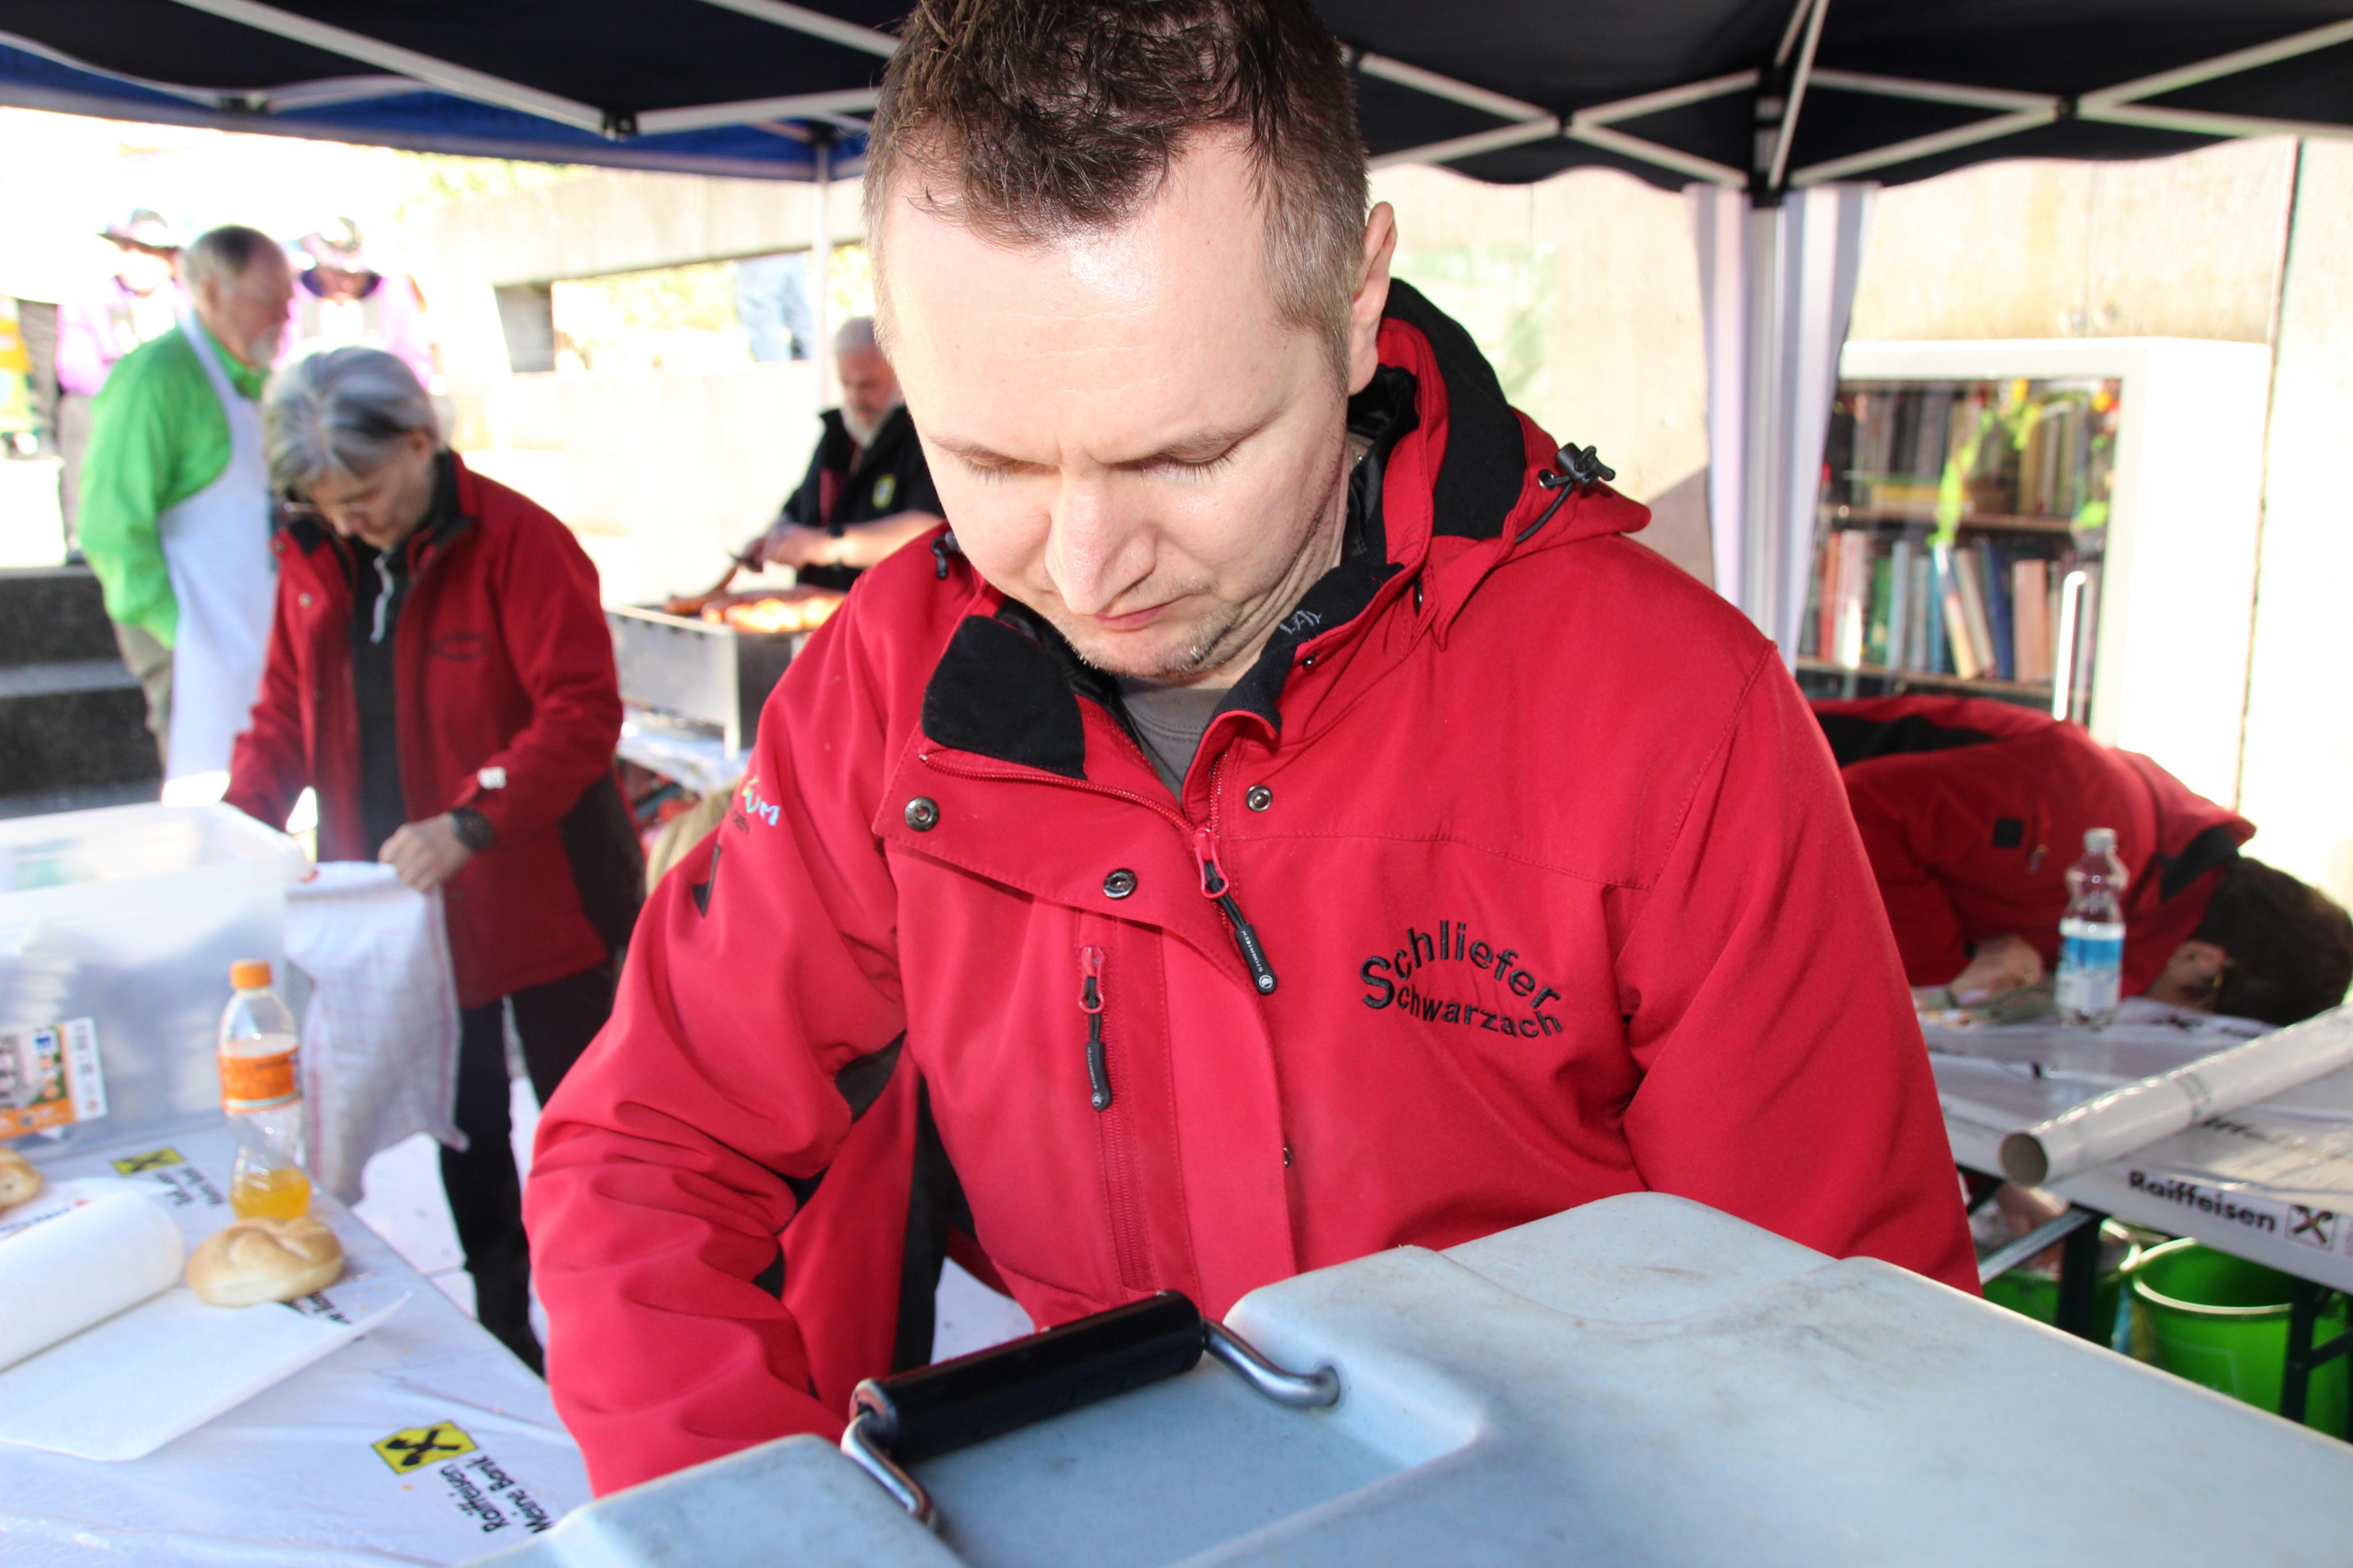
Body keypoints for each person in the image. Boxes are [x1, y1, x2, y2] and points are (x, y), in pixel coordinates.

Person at [527, 0, 1975, 1494]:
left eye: (1187, 455)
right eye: (989, 461)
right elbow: (642, 1156)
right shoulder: (884, 683)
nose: (1087, 566)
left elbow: (1851, 1354)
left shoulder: (1673, 714)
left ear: (1352, 304)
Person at [226, 347, 642, 1372]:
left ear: (421, 442)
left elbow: (580, 714)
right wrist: (236, 832)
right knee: (465, 1124)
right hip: (400, 905)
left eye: (364, 494)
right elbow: (283, 713)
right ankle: (504, 1325)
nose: (350, 521)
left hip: (544, 893)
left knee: (595, 1121)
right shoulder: (315, 551)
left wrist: (470, 820)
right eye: (328, 506)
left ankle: (625, 1324)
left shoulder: (518, 541)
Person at [1815, 694, 2353, 1026]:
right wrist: (1952, 968)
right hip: (1777, 788)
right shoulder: (2095, 830)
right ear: (2203, 963)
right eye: (2190, 1019)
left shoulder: (2149, 887)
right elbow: (1859, 809)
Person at [79, 224, 292, 789]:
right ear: (214, 293)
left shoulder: (257, 379)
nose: (284, 315)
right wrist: (182, 633)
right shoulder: (158, 377)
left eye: (288, 300)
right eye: (269, 300)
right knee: (206, 792)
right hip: (186, 632)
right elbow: (109, 527)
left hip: (254, 625)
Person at [743, 315, 944, 590]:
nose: (855, 398)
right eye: (846, 384)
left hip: (884, 604)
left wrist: (833, 545)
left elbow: (929, 529)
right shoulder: (838, 433)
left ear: (901, 378)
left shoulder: (922, 437)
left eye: (868, 385)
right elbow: (801, 504)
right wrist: (775, 537)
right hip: (819, 604)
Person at [52, 210, 185, 548]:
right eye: (127, 249)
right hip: (113, 404)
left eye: (148, 251)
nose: (135, 261)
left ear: (171, 258)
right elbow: (76, 370)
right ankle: (82, 536)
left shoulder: (195, 304)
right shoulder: (89, 301)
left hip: (182, 407)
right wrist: (136, 394)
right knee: (77, 412)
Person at [280, 218, 437, 391]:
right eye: (336, 272)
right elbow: (279, 361)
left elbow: (417, 360)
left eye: (354, 274)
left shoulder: (391, 294)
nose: (345, 283)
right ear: (319, 266)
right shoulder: (294, 296)